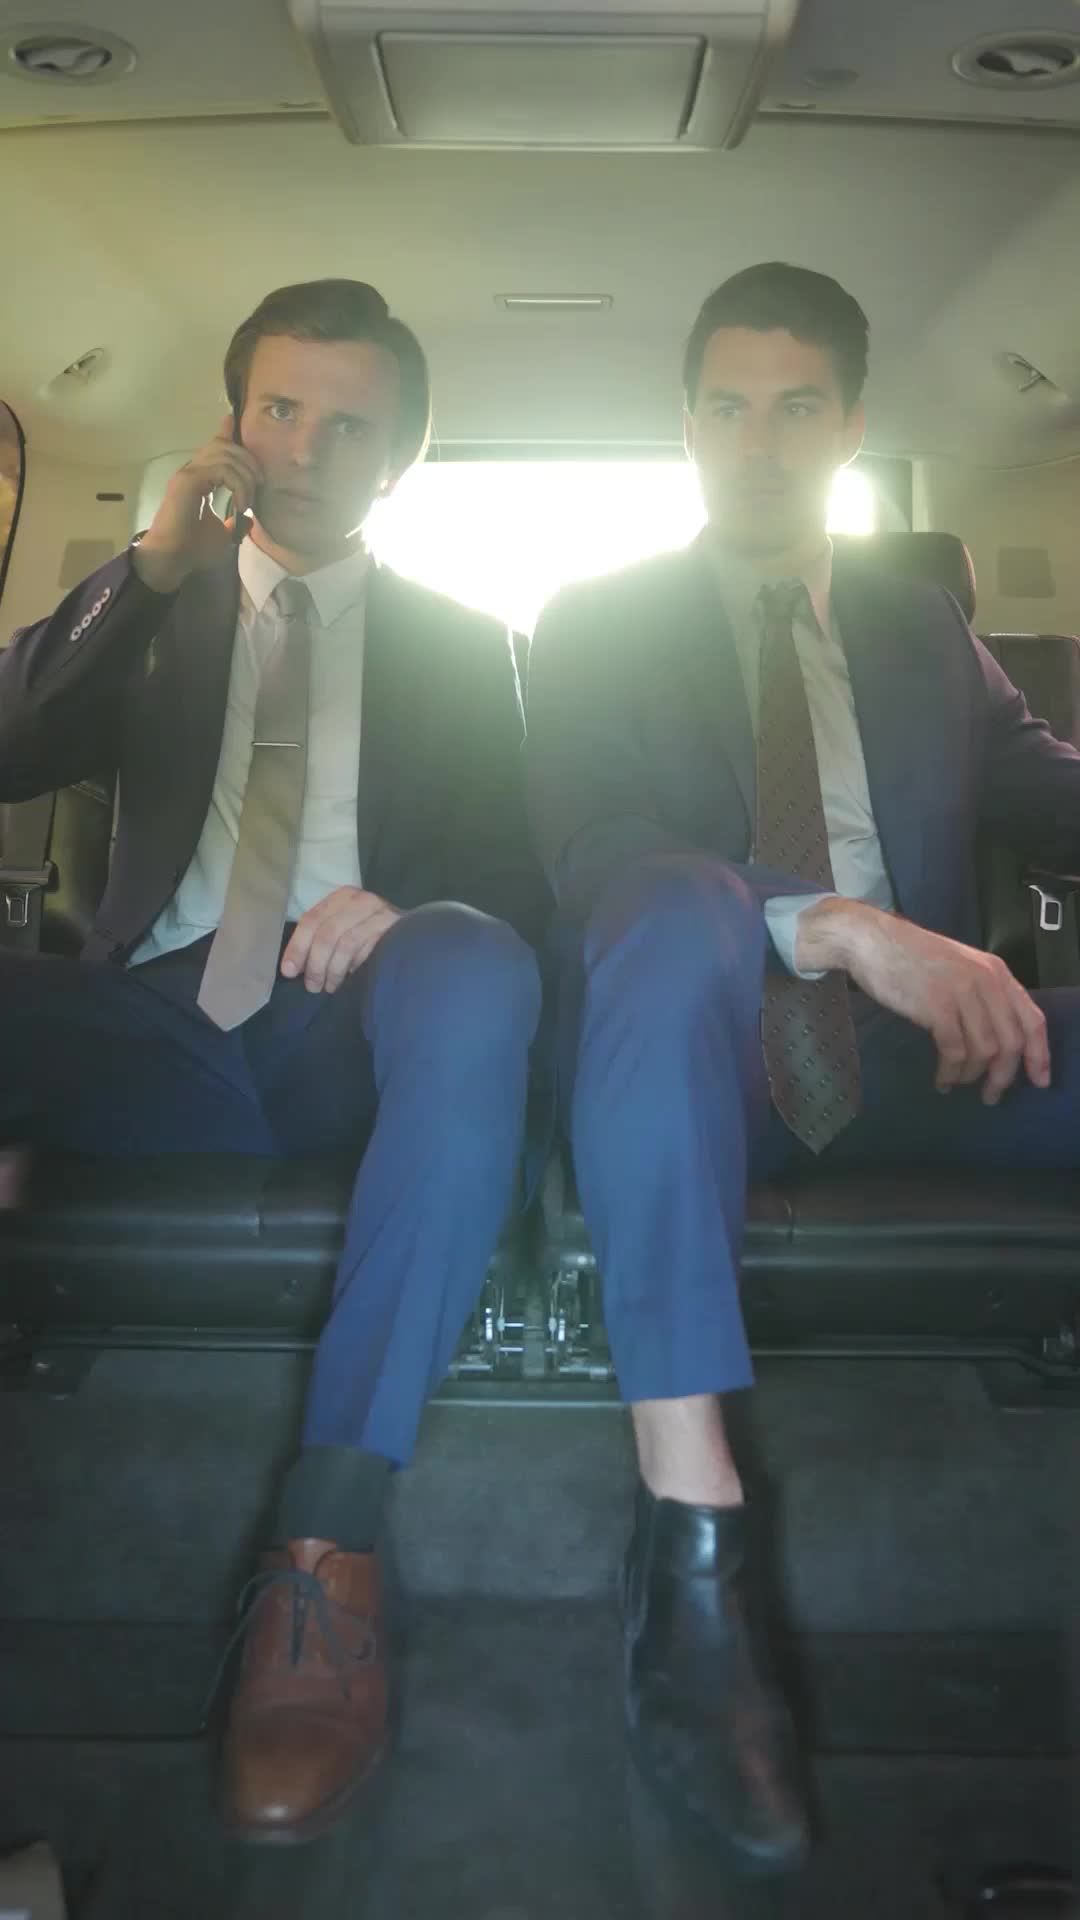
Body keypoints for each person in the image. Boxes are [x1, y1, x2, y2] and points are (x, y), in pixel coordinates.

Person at [526, 261, 1080, 1874]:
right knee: (658, 902)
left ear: (848, 427)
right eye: (726, 408)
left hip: (919, 1063)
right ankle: (691, 1551)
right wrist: (841, 924)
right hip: (694, 1068)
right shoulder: (596, 618)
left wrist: (927, 964)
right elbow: (590, 848)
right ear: (688, 423)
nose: (756, 445)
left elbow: (1043, 780)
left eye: (795, 410)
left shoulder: (921, 628)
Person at [0, 278, 548, 1844]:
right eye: (281, 410)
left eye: (351, 425)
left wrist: (416, 909)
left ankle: (327, 1552)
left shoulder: (466, 645)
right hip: (148, 1027)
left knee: (474, 954)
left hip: (344, 1030)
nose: (308, 448)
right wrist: (149, 566)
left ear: (404, 457)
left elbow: (519, 883)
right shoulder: (148, 608)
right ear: (233, 425)